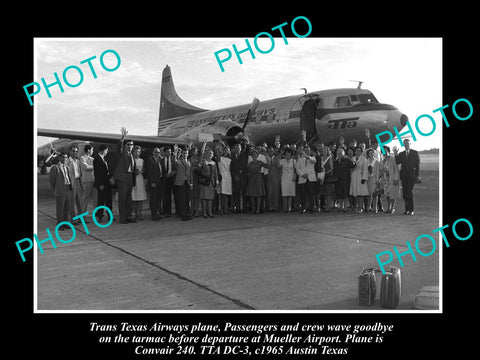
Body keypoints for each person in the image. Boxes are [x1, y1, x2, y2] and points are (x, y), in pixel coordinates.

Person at [113, 127, 136, 224]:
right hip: (123, 177)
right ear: (125, 146)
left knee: (128, 198)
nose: (130, 146)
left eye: (131, 145)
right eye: (128, 144)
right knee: (122, 198)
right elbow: (118, 149)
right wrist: (121, 140)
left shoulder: (132, 155)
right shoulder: (123, 154)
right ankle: (122, 218)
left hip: (130, 177)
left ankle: (128, 216)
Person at [394, 139, 420, 215]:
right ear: (403, 144)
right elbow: (398, 162)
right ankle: (407, 210)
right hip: (404, 176)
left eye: (407, 143)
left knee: (410, 192)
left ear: (410, 143)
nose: (406, 144)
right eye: (405, 143)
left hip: (412, 176)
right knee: (405, 193)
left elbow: (417, 165)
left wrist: (417, 175)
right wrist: (396, 154)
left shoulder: (415, 153)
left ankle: (411, 210)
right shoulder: (401, 154)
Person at [49, 152, 74, 230]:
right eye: (63, 157)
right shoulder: (55, 168)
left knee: (67, 207)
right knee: (60, 208)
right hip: (60, 189)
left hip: (68, 188)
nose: (65, 159)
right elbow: (52, 181)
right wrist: (56, 189)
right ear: (59, 158)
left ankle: (66, 223)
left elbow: (70, 177)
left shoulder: (68, 167)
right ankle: (59, 224)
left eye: (66, 157)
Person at [199, 140, 219, 218]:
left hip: (211, 183)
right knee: (204, 198)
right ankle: (204, 213)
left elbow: (216, 173)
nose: (210, 155)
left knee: (210, 198)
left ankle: (209, 212)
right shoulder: (203, 161)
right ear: (206, 154)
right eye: (208, 153)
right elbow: (200, 162)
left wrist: (217, 182)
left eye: (211, 153)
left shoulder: (213, 163)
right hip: (204, 182)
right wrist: (204, 146)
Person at [93, 144, 113, 223]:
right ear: (103, 150)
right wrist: (100, 184)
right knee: (101, 201)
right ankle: (100, 216)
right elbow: (97, 173)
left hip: (107, 182)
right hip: (102, 183)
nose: (107, 152)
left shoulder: (104, 159)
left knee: (109, 200)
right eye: (106, 150)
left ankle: (109, 215)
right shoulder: (97, 159)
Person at [295, 145, 317, 213]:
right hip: (302, 178)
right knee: (302, 194)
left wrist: (307, 156)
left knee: (311, 194)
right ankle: (303, 208)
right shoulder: (299, 159)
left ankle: (311, 208)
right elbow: (297, 169)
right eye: (306, 150)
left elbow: (313, 161)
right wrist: (302, 174)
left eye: (308, 150)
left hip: (311, 179)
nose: (307, 151)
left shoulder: (312, 158)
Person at [230, 139, 249, 213]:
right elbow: (231, 169)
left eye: (239, 148)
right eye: (236, 148)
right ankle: (237, 208)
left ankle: (244, 208)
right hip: (236, 178)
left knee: (244, 193)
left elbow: (247, 150)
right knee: (237, 193)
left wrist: (246, 142)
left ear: (241, 149)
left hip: (243, 177)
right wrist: (235, 176)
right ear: (234, 149)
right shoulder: (232, 157)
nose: (237, 149)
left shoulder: (244, 155)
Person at [246, 150, 268, 214]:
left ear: (257, 155)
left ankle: (258, 209)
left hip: (258, 178)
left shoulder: (260, 162)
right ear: (251, 156)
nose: (254, 155)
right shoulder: (250, 164)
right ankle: (253, 208)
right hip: (251, 179)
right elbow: (248, 172)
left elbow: (267, 166)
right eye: (253, 154)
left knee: (258, 195)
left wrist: (267, 159)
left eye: (255, 154)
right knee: (252, 195)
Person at [174, 148, 193, 221]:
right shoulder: (179, 161)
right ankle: (183, 215)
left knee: (187, 199)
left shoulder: (189, 162)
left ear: (188, 154)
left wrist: (191, 182)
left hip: (187, 182)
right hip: (180, 182)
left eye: (186, 153)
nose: (185, 154)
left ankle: (187, 214)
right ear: (182, 153)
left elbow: (190, 174)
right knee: (182, 199)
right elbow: (174, 161)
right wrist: (175, 153)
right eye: (184, 153)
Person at [333, 148, 355, 213]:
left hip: (345, 180)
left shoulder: (347, 160)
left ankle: (345, 207)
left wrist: (349, 159)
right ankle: (340, 207)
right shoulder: (336, 161)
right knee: (339, 194)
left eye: (340, 153)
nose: (339, 154)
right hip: (338, 180)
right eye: (338, 153)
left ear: (343, 154)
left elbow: (353, 165)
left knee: (345, 194)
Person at [146, 147, 164, 221]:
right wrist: (152, 181)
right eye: (156, 152)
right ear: (153, 153)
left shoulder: (159, 160)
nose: (157, 154)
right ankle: (153, 215)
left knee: (158, 199)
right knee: (153, 199)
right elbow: (149, 172)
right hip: (153, 182)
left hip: (160, 182)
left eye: (158, 152)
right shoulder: (150, 160)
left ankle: (156, 213)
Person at [350, 146, 369, 213]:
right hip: (354, 176)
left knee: (361, 193)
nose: (358, 152)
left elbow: (365, 169)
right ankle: (357, 207)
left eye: (359, 150)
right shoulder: (352, 158)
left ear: (361, 151)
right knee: (356, 192)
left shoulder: (364, 159)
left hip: (360, 176)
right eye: (356, 150)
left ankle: (360, 208)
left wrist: (364, 178)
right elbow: (350, 168)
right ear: (355, 152)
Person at [381, 146, 401, 213]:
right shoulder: (383, 160)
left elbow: (396, 169)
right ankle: (388, 207)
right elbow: (382, 170)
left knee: (393, 193)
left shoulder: (392, 159)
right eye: (383, 151)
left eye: (386, 151)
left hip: (392, 179)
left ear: (388, 151)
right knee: (387, 194)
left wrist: (396, 178)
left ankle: (392, 208)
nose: (385, 152)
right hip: (386, 180)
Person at [66, 145, 83, 220]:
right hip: (71, 183)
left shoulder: (78, 161)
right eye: (73, 151)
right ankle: (73, 219)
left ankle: (80, 218)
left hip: (78, 181)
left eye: (76, 151)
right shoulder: (67, 161)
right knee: (72, 202)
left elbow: (80, 172)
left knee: (80, 201)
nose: (75, 153)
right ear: (70, 152)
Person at [80, 144, 96, 218]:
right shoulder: (82, 158)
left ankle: (96, 214)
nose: (93, 151)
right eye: (92, 150)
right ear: (89, 150)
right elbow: (86, 167)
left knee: (95, 198)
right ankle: (82, 216)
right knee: (85, 198)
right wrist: (95, 166)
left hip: (93, 180)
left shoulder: (92, 159)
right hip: (87, 181)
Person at [131, 145, 147, 221]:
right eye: (135, 151)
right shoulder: (131, 159)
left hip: (140, 179)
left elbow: (144, 170)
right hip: (133, 179)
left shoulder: (142, 160)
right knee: (134, 197)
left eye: (138, 151)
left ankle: (140, 214)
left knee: (140, 198)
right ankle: (134, 214)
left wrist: (141, 171)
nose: (137, 153)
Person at [278, 147, 296, 212]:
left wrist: (295, 176)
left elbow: (296, 169)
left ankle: (289, 207)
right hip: (284, 178)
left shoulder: (294, 161)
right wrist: (280, 154)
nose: (288, 154)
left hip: (291, 178)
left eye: (289, 153)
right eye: (286, 153)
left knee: (290, 194)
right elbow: (278, 166)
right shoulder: (282, 160)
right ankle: (285, 207)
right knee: (284, 194)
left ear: (291, 154)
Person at [216, 144, 232, 214]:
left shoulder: (230, 159)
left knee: (226, 194)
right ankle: (221, 209)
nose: (226, 151)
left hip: (228, 177)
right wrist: (219, 146)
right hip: (222, 176)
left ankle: (225, 209)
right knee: (221, 194)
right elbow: (217, 152)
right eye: (225, 150)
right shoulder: (220, 158)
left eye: (227, 150)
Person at [318, 146, 334, 212]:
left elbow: (332, 168)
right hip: (321, 177)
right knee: (323, 192)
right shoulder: (320, 158)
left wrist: (325, 173)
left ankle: (328, 207)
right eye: (323, 150)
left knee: (328, 193)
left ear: (328, 151)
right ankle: (324, 206)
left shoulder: (330, 158)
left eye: (326, 150)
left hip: (327, 176)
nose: (324, 151)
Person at [365, 148, 382, 213]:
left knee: (375, 194)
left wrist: (377, 180)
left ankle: (375, 208)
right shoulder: (366, 161)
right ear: (368, 154)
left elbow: (378, 171)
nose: (371, 154)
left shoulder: (376, 161)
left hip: (374, 179)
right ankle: (368, 207)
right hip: (368, 179)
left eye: (372, 153)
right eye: (370, 153)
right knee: (369, 194)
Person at [188, 145, 201, 217]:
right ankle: (191, 211)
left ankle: (196, 211)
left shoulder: (199, 158)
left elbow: (200, 167)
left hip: (197, 179)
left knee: (197, 197)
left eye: (195, 151)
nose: (194, 152)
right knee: (191, 197)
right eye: (193, 151)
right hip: (191, 178)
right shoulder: (189, 159)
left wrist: (195, 168)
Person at [162, 147, 175, 217]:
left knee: (174, 196)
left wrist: (173, 172)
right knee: (166, 196)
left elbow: (176, 167)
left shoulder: (173, 159)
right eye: (167, 152)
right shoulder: (162, 160)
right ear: (164, 152)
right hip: (165, 179)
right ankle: (166, 211)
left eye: (170, 152)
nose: (169, 153)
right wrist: (165, 175)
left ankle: (174, 211)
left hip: (172, 179)